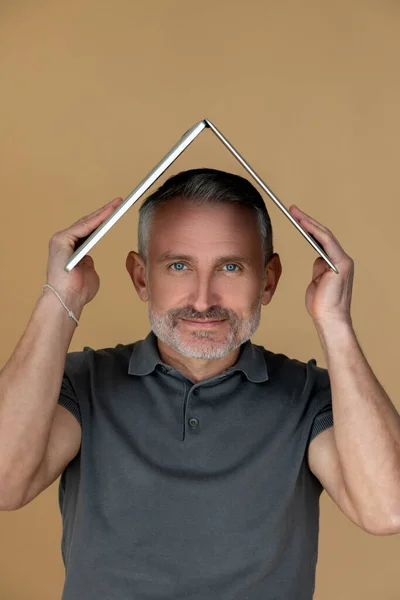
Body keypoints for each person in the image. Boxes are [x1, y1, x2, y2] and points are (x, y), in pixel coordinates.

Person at [1, 168, 399, 600]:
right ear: (140, 277)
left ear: (267, 280)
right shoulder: (83, 383)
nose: (204, 299)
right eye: (178, 266)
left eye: (231, 266)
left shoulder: (311, 396)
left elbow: (387, 509)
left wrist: (335, 321)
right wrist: (61, 299)